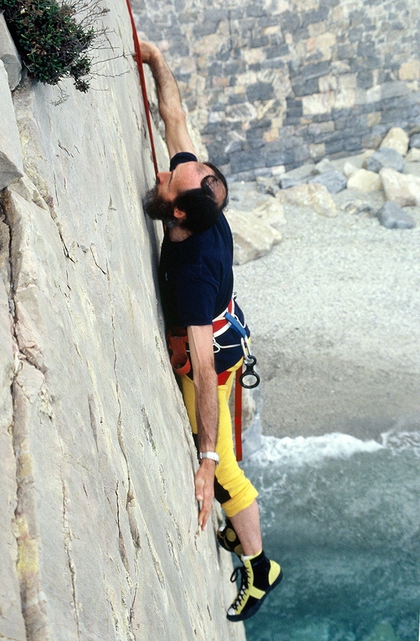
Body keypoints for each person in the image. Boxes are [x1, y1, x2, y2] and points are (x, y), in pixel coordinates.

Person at [140, 40, 282, 622]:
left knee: (225, 466)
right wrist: (154, 59)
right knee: (221, 452)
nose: (166, 170)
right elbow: (174, 117)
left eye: (175, 178)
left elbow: (201, 365)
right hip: (228, 337)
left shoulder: (193, 269)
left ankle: (259, 565)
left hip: (214, 356)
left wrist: (203, 458)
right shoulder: (199, 201)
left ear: (178, 212)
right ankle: (241, 535)